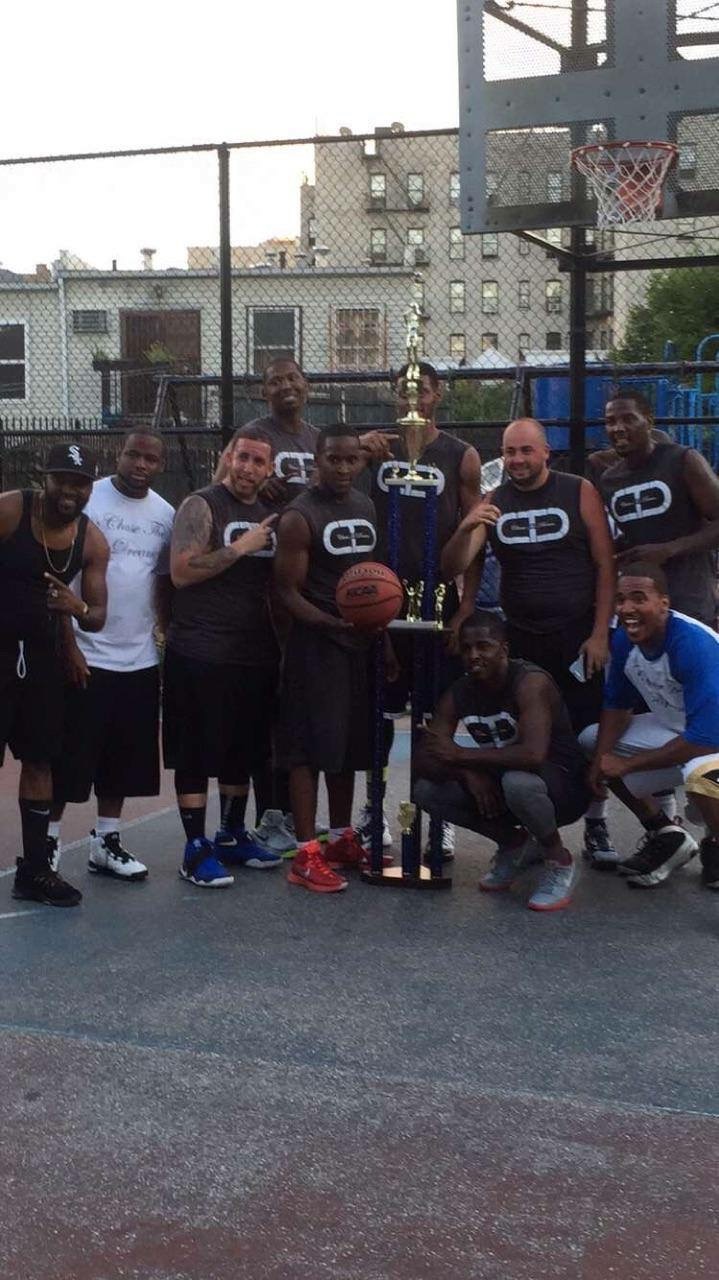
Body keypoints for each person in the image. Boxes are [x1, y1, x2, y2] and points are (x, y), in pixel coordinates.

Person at [356, 361, 483, 858]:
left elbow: (477, 531)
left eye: (422, 390)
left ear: (437, 394)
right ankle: (374, 810)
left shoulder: (460, 455)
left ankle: (439, 815)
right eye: (404, 391)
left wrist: (466, 606)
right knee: (379, 716)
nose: (413, 399)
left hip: (437, 599)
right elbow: (337, 484)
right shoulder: (377, 451)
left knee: (437, 715)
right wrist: (360, 447)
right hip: (381, 597)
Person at [49, 431, 174, 881]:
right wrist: (68, 644)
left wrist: (163, 637)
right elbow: (59, 580)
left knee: (121, 761)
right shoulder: (89, 500)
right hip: (84, 651)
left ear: (160, 465)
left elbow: (162, 581)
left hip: (137, 656)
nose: (141, 464)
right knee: (66, 758)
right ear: (118, 456)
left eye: (150, 458)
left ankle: (105, 842)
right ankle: (47, 841)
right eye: (133, 455)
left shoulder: (165, 514)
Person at [164, 427, 284, 886]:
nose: (248, 468)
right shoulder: (202, 504)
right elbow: (181, 572)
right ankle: (195, 848)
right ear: (228, 458)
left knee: (242, 751)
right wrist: (238, 548)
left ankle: (232, 833)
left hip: (253, 652)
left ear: (269, 469)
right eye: (243, 457)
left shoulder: (270, 513)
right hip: (200, 649)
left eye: (258, 461)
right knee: (195, 753)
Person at [442, 418, 615, 736]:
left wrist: (600, 633)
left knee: (585, 731)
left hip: (576, 632)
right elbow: (455, 566)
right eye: (510, 452)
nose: (517, 459)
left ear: (546, 452)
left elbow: (605, 565)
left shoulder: (578, 490)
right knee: (530, 728)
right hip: (521, 634)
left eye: (526, 450)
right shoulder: (494, 500)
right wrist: (466, 527)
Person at [414, 612, 590, 912]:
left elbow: (533, 755)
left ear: (504, 649)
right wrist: (466, 772)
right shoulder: (459, 692)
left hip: (562, 788)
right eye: (467, 648)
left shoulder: (530, 682)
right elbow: (424, 756)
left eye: (483, 646)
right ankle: (515, 844)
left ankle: (557, 858)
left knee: (518, 782)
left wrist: (461, 755)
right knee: (425, 791)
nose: (474, 655)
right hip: (505, 785)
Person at [273, 424, 384, 893]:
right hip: (316, 645)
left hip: (359, 643)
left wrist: (382, 637)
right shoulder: (299, 516)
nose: (342, 467)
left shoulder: (365, 505)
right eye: (333, 459)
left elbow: (372, 579)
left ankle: (340, 839)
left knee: (348, 747)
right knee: (309, 751)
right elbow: (285, 592)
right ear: (317, 460)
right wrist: (330, 624)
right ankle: (306, 854)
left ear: (361, 461)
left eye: (351, 459)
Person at [0, 443, 109, 907]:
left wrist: (75, 608)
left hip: (42, 660)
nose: (70, 490)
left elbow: (97, 616)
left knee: (40, 760)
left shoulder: (92, 541)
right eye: (62, 479)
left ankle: (35, 872)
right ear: (44, 478)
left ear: (90, 488)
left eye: (80, 483)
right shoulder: (11, 510)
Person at [579, 563, 719, 891]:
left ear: (663, 604)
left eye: (638, 598)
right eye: (621, 600)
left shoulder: (692, 644)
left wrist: (627, 765)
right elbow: (618, 706)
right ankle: (666, 833)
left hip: (711, 739)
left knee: (700, 774)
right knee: (592, 742)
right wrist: (601, 763)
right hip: (684, 731)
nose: (627, 608)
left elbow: (705, 738)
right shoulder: (625, 640)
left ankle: (716, 843)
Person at [598, 389, 719, 627]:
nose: (618, 428)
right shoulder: (609, 480)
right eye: (610, 422)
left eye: (628, 419)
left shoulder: (682, 460)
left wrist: (669, 549)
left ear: (649, 421)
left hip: (688, 599)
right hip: (640, 603)